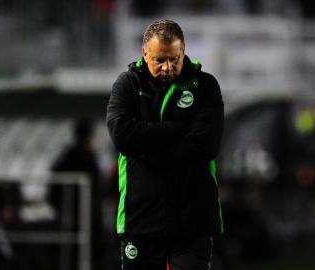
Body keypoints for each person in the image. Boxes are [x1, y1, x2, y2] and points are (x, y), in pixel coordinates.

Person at [106, 19, 224, 270]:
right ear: (144, 54)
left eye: (175, 59)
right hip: (141, 217)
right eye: (159, 60)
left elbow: (205, 146)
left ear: (183, 52)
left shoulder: (205, 86)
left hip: (193, 219)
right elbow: (122, 135)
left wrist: (146, 151)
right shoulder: (127, 85)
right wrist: (175, 130)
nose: (168, 67)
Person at [51, 118, 103, 270]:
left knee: (69, 255)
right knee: (87, 256)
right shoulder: (90, 158)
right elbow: (98, 188)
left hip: (68, 216)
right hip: (88, 217)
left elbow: (54, 186)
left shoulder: (66, 157)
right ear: (90, 136)